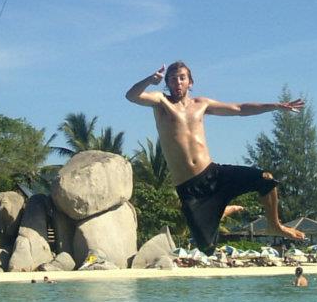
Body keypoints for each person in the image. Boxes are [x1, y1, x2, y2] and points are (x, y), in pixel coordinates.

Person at [126, 62, 306, 254]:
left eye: (182, 78)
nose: (177, 82)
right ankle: (223, 209)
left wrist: (276, 106)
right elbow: (132, 96)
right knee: (207, 250)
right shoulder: (161, 101)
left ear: (190, 82)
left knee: (266, 180)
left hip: (214, 174)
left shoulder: (201, 104)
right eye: (172, 79)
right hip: (189, 189)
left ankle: (275, 225)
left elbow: (239, 108)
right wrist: (149, 80)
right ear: (167, 83)